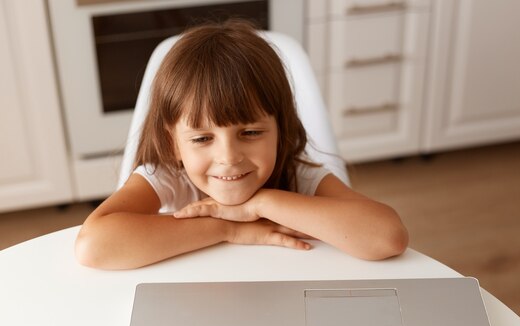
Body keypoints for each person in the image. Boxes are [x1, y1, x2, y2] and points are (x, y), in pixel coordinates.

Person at [75, 20, 408, 270]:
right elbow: (94, 245)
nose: (229, 157)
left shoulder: (297, 174)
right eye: (203, 138)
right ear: (172, 143)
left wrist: (260, 205)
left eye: (250, 133)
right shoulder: (168, 177)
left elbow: (387, 236)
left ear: (281, 129)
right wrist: (227, 228)